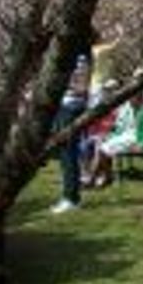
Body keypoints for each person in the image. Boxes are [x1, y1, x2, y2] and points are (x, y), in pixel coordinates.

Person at [51, 53, 91, 214]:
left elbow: (83, 89)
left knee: (68, 153)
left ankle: (71, 199)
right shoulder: (70, 58)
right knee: (65, 154)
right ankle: (68, 196)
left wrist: (64, 85)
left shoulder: (81, 60)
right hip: (65, 107)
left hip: (72, 107)